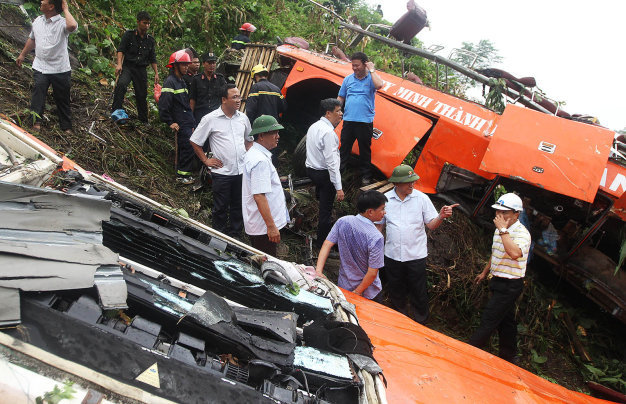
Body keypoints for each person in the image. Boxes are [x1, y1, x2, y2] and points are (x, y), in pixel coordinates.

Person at [381, 164, 457, 323]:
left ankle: (420, 323)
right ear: (396, 183)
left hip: (415, 255)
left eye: (413, 181)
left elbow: (431, 224)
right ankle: (399, 321)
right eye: (408, 182)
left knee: (419, 291)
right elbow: (378, 227)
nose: (412, 184)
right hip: (392, 254)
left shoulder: (421, 198)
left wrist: (441, 216)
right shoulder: (385, 199)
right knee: (396, 289)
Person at [469, 193, 531, 363]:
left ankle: (469, 350)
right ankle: (509, 355)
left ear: (516, 214)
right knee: (506, 320)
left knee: (490, 317)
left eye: (504, 213)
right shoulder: (500, 231)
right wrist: (484, 272)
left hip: (510, 284)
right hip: (497, 279)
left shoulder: (521, 233)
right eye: (497, 212)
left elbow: (514, 253)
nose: (500, 217)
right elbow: (496, 252)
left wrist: (503, 231)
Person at [190, 84, 251, 237]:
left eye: (239, 96)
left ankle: (235, 236)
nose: (238, 100)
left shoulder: (243, 118)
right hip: (222, 172)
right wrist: (205, 160)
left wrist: (249, 158)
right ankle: (219, 237)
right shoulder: (210, 119)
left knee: (238, 205)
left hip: (241, 171)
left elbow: (249, 140)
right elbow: (195, 141)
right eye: (234, 97)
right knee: (220, 207)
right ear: (224, 99)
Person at [16, 0, 78, 132]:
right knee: (38, 93)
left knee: (62, 98)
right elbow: (32, 39)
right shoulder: (38, 20)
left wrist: (65, 9)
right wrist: (22, 55)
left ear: (51, 6)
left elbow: (72, 26)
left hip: (59, 68)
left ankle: (66, 127)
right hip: (41, 65)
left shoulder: (63, 23)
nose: (41, 1)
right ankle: (35, 122)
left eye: (44, 1)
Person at [316, 191, 387, 300]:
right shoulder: (376, 237)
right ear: (370, 212)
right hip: (367, 292)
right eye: (382, 209)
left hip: (344, 286)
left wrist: (318, 271)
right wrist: (357, 292)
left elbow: (326, 244)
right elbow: (372, 273)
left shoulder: (343, 221)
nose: (384, 212)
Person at [242, 115, 289, 256]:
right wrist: (271, 227)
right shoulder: (260, 161)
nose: (277, 136)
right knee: (267, 264)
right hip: (263, 228)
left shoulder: (255, 154)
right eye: (273, 133)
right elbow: (259, 196)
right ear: (261, 136)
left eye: (278, 132)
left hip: (260, 224)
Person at [337, 52, 383, 185]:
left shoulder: (371, 78)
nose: (355, 68)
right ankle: (338, 174)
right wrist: (335, 110)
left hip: (365, 121)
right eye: (353, 65)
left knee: (364, 150)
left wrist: (372, 69)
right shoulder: (348, 79)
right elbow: (341, 97)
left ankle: (366, 177)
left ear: (365, 64)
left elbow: (379, 85)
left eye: (357, 65)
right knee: (344, 148)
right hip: (349, 120)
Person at [305, 98, 345, 248]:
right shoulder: (328, 133)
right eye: (338, 111)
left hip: (311, 170)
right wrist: (338, 187)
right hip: (324, 174)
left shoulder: (314, 126)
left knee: (322, 198)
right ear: (328, 113)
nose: (341, 114)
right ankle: (322, 244)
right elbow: (332, 163)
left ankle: (319, 195)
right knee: (326, 212)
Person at [110, 11, 158, 123]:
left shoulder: (150, 40)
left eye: (148, 24)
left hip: (141, 69)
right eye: (144, 23)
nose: (146, 26)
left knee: (142, 93)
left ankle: (143, 119)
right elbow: (121, 50)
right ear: (138, 22)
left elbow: (153, 58)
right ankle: (116, 111)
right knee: (121, 85)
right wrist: (119, 64)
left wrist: (156, 73)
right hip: (128, 66)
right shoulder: (129, 35)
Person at [158, 50, 196, 184]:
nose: (186, 67)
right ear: (175, 65)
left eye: (187, 64)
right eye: (183, 64)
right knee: (186, 147)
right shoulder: (170, 82)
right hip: (180, 122)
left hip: (187, 121)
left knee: (189, 147)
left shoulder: (181, 81)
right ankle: (182, 176)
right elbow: (164, 105)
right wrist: (170, 122)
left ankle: (185, 174)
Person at [189, 52, 226, 124]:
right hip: (200, 116)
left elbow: (224, 97)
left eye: (213, 63)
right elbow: (192, 100)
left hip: (216, 115)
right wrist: (191, 119)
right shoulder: (196, 79)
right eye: (209, 63)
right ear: (203, 64)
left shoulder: (220, 78)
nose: (212, 65)